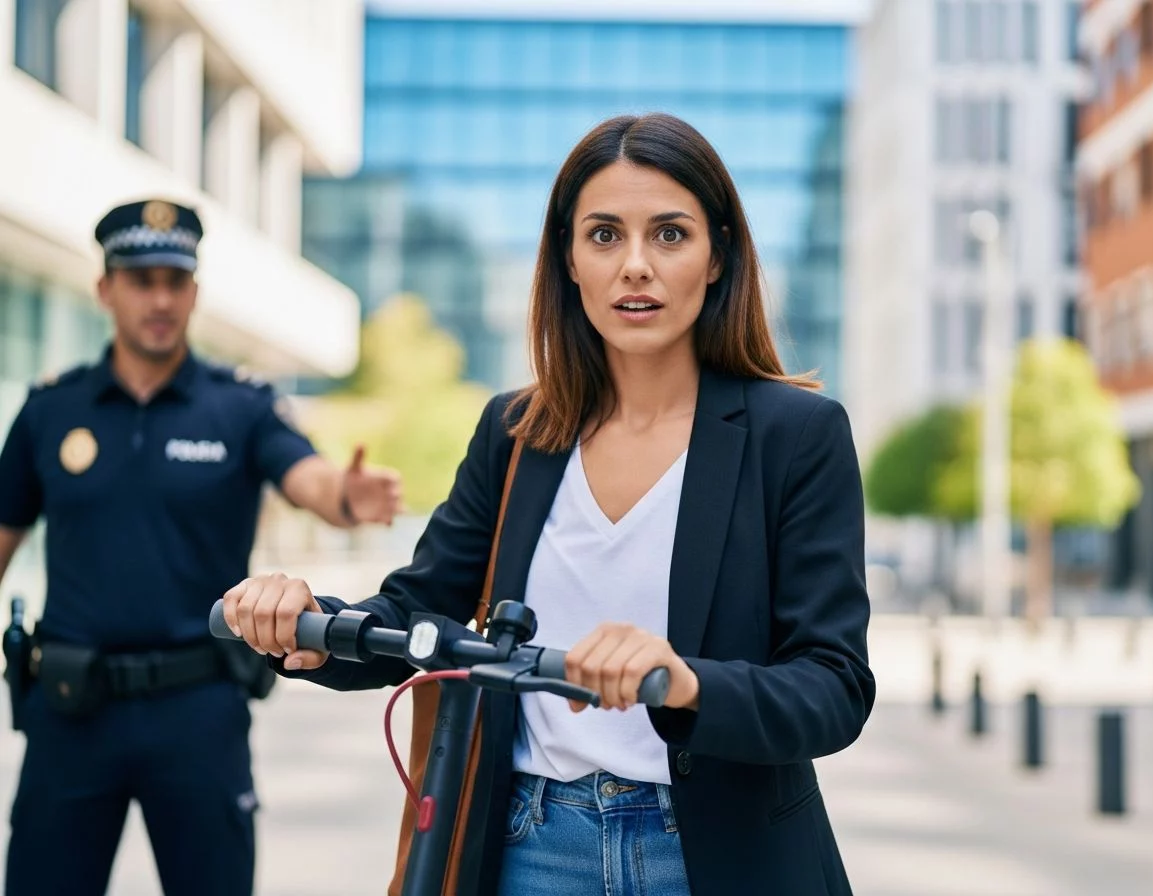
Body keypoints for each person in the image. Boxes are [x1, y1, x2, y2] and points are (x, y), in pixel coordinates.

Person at [224, 112, 875, 896]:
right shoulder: (516, 432)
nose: (635, 265)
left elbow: (833, 686)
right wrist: (306, 622)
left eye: (670, 235)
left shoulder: (796, 436)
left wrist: (687, 681)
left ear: (717, 257)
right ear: (568, 258)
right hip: (530, 849)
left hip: (716, 856)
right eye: (604, 236)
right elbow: (418, 609)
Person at [0, 198, 404, 896]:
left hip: (199, 711)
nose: (159, 298)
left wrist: (345, 495)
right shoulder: (49, 410)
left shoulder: (240, 406)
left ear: (194, 293)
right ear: (106, 289)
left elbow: (307, 476)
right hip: (70, 712)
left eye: (174, 281)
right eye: (140, 279)